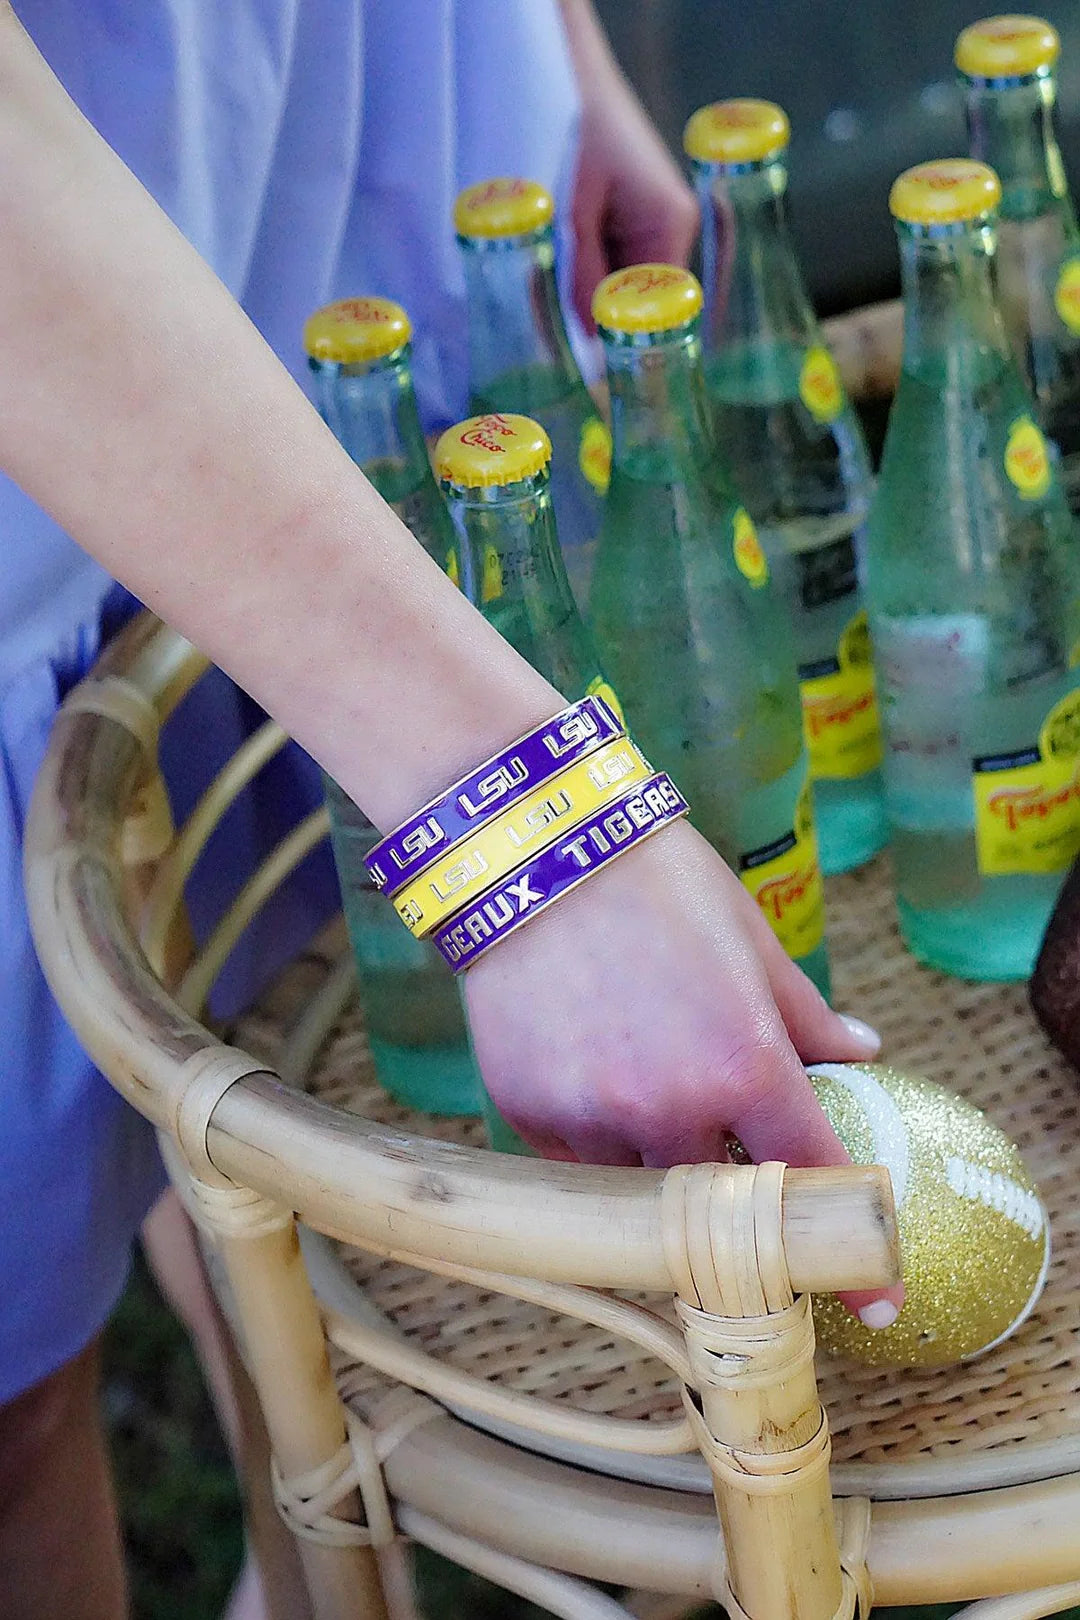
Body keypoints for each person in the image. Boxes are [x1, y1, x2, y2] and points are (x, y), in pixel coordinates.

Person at [0, 2, 902, 1615]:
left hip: (375, 110)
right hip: (55, 285)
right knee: (10, 1406)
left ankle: (309, 1539)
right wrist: (530, 831)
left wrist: (562, 48)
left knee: (265, 1027)